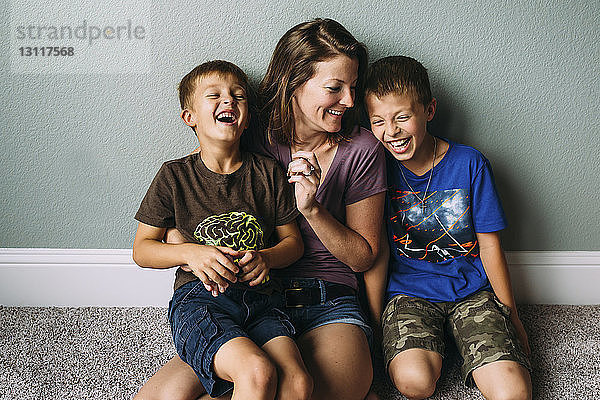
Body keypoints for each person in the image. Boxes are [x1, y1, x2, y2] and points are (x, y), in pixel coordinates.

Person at [133, 19, 387, 400]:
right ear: (294, 83)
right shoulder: (249, 126)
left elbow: (363, 257)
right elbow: (197, 172)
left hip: (325, 297)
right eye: (335, 88)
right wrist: (181, 239)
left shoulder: (362, 149)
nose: (350, 102)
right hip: (241, 295)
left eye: (353, 88)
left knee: (303, 390)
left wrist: (313, 209)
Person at [132, 60, 312, 400]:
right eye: (214, 95)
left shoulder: (268, 172)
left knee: (299, 384)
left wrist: (267, 258)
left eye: (238, 96)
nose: (228, 101)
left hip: (263, 301)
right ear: (190, 117)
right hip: (202, 301)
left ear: (246, 119)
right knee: (256, 371)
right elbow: (142, 249)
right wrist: (189, 252)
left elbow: (293, 243)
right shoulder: (174, 176)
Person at [364, 55, 532, 400]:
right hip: (409, 294)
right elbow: (376, 247)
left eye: (402, 117)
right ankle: (441, 348)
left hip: (471, 291)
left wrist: (512, 316)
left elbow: (489, 246)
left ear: (429, 110)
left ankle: (467, 343)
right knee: (414, 383)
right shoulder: (375, 168)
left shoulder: (469, 163)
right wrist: (375, 320)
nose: (390, 131)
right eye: (377, 121)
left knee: (513, 392)